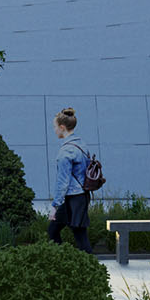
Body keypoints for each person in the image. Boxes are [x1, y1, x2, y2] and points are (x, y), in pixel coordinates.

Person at [48, 107, 93, 252]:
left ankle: (88, 264)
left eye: (55, 127)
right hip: (80, 196)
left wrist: (55, 206)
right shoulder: (82, 145)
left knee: (78, 236)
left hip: (73, 198)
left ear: (62, 127)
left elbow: (63, 182)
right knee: (54, 231)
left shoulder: (66, 151)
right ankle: (66, 260)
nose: (54, 130)